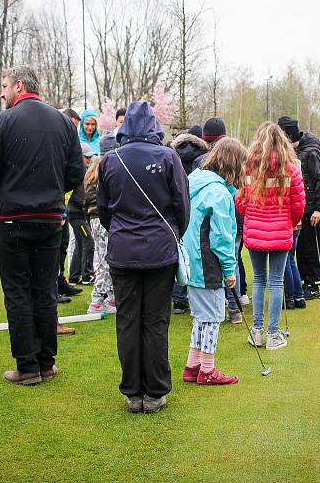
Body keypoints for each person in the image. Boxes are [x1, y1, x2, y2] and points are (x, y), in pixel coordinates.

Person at [0, 64, 84, 385]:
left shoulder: (2, 122)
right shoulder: (63, 123)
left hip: (13, 220)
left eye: (5, 86)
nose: (2, 92)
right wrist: (51, 193)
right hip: (50, 218)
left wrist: (5, 196)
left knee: (18, 291)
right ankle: (46, 363)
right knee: (44, 289)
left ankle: (27, 367)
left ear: (18, 86)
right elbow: (76, 173)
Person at [97, 100, 189, 413]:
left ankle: (133, 392)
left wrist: (123, 231)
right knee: (155, 321)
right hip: (159, 251)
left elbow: (104, 209)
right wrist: (172, 235)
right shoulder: (168, 157)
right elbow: (182, 205)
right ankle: (155, 392)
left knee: (128, 321)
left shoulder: (110, 160)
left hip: (124, 250)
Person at [182, 138, 247, 386]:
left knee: (201, 316)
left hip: (192, 261)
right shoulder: (218, 192)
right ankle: (207, 370)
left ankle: (193, 365)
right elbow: (222, 237)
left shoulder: (194, 181)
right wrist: (230, 270)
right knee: (213, 317)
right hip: (207, 263)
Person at [235, 122, 305, 350]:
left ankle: (257, 332)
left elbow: (241, 201)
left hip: (255, 231)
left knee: (259, 280)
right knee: (275, 282)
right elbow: (298, 206)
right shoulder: (291, 169)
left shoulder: (249, 167)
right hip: (280, 231)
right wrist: (289, 223)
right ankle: (273, 334)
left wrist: (252, 214)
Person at [277, 116, 320, 301]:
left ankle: (313, 284)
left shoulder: (312, 153)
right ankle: (301, 281)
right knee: (300, 248)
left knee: (312, 248)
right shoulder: (295, 153)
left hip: (314, 210)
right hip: (300, 210)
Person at [169, 131, 210, 315]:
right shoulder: (204, 156)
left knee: (179, 253)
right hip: (198, 207)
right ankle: (196, 299)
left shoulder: (172, 153)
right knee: (197, 254)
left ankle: (178, 300)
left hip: (176, 207)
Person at [84, 146, 115, 314]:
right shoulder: (107, 171)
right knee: (105, 261)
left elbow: (85, 200)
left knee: (104, 258)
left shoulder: (90, 174)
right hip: (104, 219)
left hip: (94, 220)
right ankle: (97, 299)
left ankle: (110, 296)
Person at [67, 143, 96, 285]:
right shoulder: (78, 172)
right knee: (88, 242)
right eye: (86, 157)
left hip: (76, 213)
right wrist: (86, 205)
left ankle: (74, 276)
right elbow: (77, 196)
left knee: (80, 243)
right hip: (77, 213)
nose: (89, 159)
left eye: (90, 157)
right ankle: (87, 275)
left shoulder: (82, 170)